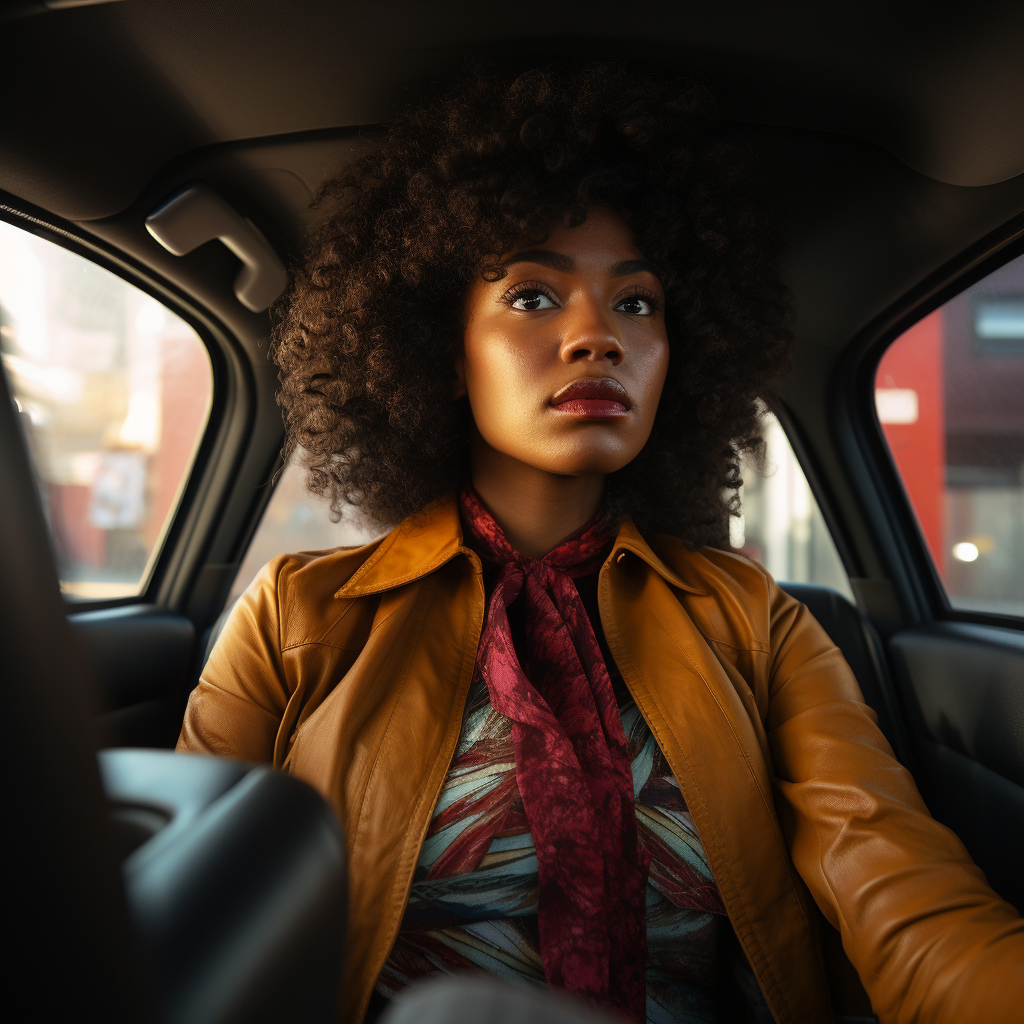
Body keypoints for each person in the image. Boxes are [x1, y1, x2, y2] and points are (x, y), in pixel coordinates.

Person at [177, 65, 1024, 1024]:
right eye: (533, 297)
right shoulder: (296, 616)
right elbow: (192, 913)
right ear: (446, 354)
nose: (598, 338)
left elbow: (901, 886)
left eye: (637, 302)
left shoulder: (754, 623)